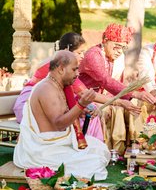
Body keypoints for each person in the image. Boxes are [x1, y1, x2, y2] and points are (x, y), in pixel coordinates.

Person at [13, 32, 138, 143]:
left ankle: (87, 147)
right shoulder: (58, 66)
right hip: (31, 105)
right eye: (80, 52)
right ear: (67, 49)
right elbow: (86, 93)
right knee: (85, 114)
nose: (83, 56)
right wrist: (120, 102)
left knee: (90, 113)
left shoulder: (68, 66)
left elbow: (84, 94)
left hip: (54, 104)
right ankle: (81, 147)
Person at [13, 51, 110, 180]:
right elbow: (59, 124)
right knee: (94, 162)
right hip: (43, 150)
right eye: (74, 69)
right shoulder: (47, 89)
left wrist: (80, 111)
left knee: (100, 148)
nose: (77, 74)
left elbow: (61, 113)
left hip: (56, 142)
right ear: (61, 69)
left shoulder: (57, 85)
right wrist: (81, 104)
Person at [79, 23, 156, 154]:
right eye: (117, 46)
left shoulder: (110, 56)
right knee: (117, 107)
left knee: (133, 105)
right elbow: (106, 81)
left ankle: (136, 145)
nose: (119, 51)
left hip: (102, 96)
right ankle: (112, 150)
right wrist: (135, 94)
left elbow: (115, 82)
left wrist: (132, 96)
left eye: (123, 47)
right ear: (105, 40)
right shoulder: (93, 55)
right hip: (86, 98)